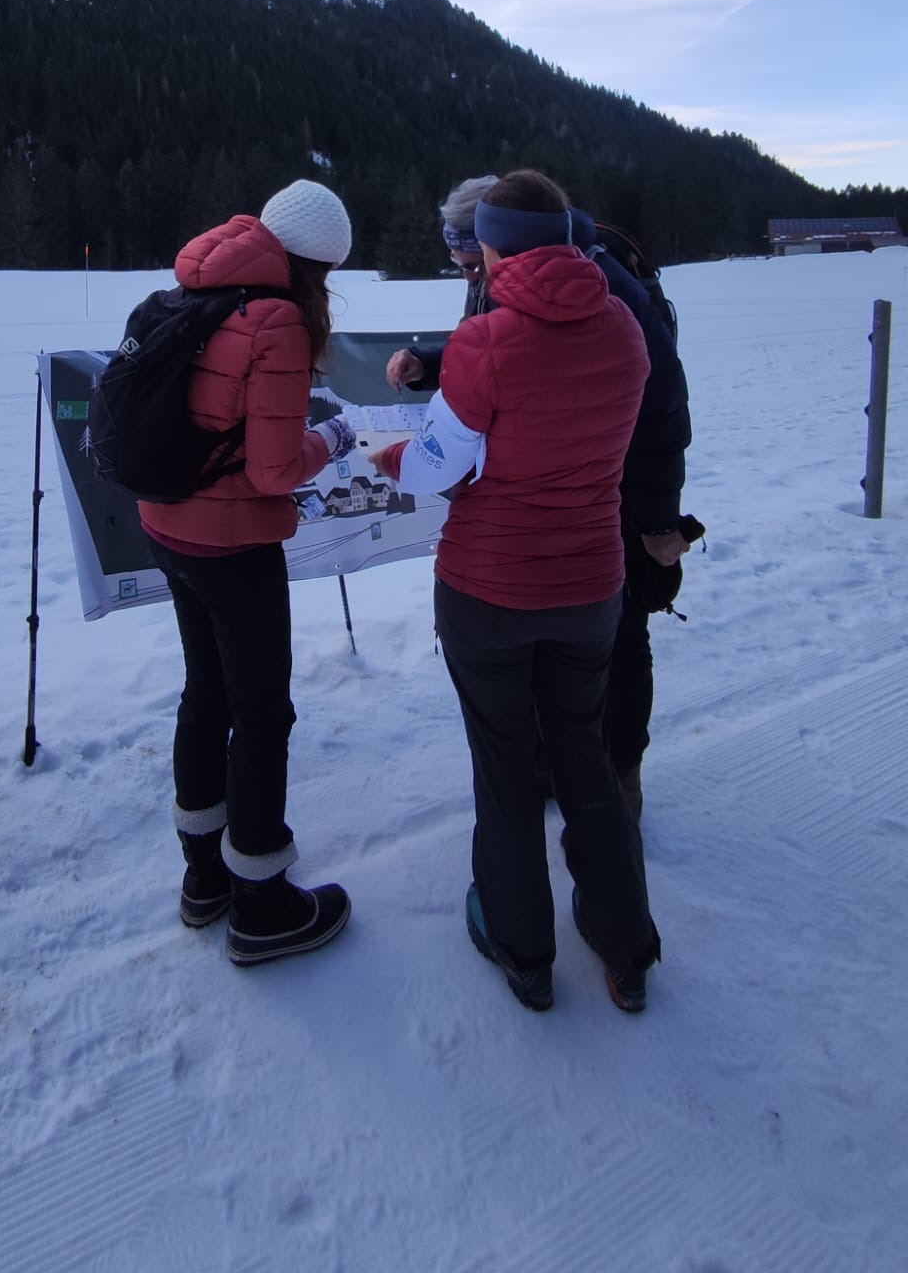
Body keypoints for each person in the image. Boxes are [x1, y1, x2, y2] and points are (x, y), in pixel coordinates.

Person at [371, 169, 661, 1013]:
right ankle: (626, 948)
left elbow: (435, 469)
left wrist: (397, 457)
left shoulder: (489, 341)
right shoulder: (624, 328)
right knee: (586, 760)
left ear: (492, 248)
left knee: (505, 768)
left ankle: (521, 946)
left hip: (490, 591)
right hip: (590, 589)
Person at [387, 177, 692, 817]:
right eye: (463, 267)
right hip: (562, 496)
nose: (471, 277)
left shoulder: (614, 292)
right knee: (559, 649)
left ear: (507, 245)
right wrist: (435, 362)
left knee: (621, 639)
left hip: (614, 490)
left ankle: (618, 779)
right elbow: (520, 348)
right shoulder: (511, 277)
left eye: (475, 262)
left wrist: (659, 516)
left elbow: (664, 406)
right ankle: (560, 771)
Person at [141, 180, 356, 967]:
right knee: (262, 715)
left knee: (206, 695)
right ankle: (263, 902)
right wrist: (330, 441)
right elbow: (272, 472)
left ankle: (204, 878)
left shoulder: (196, 286)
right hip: (233, 548)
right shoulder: (276, 321)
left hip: (169, 527)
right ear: (314, 266)